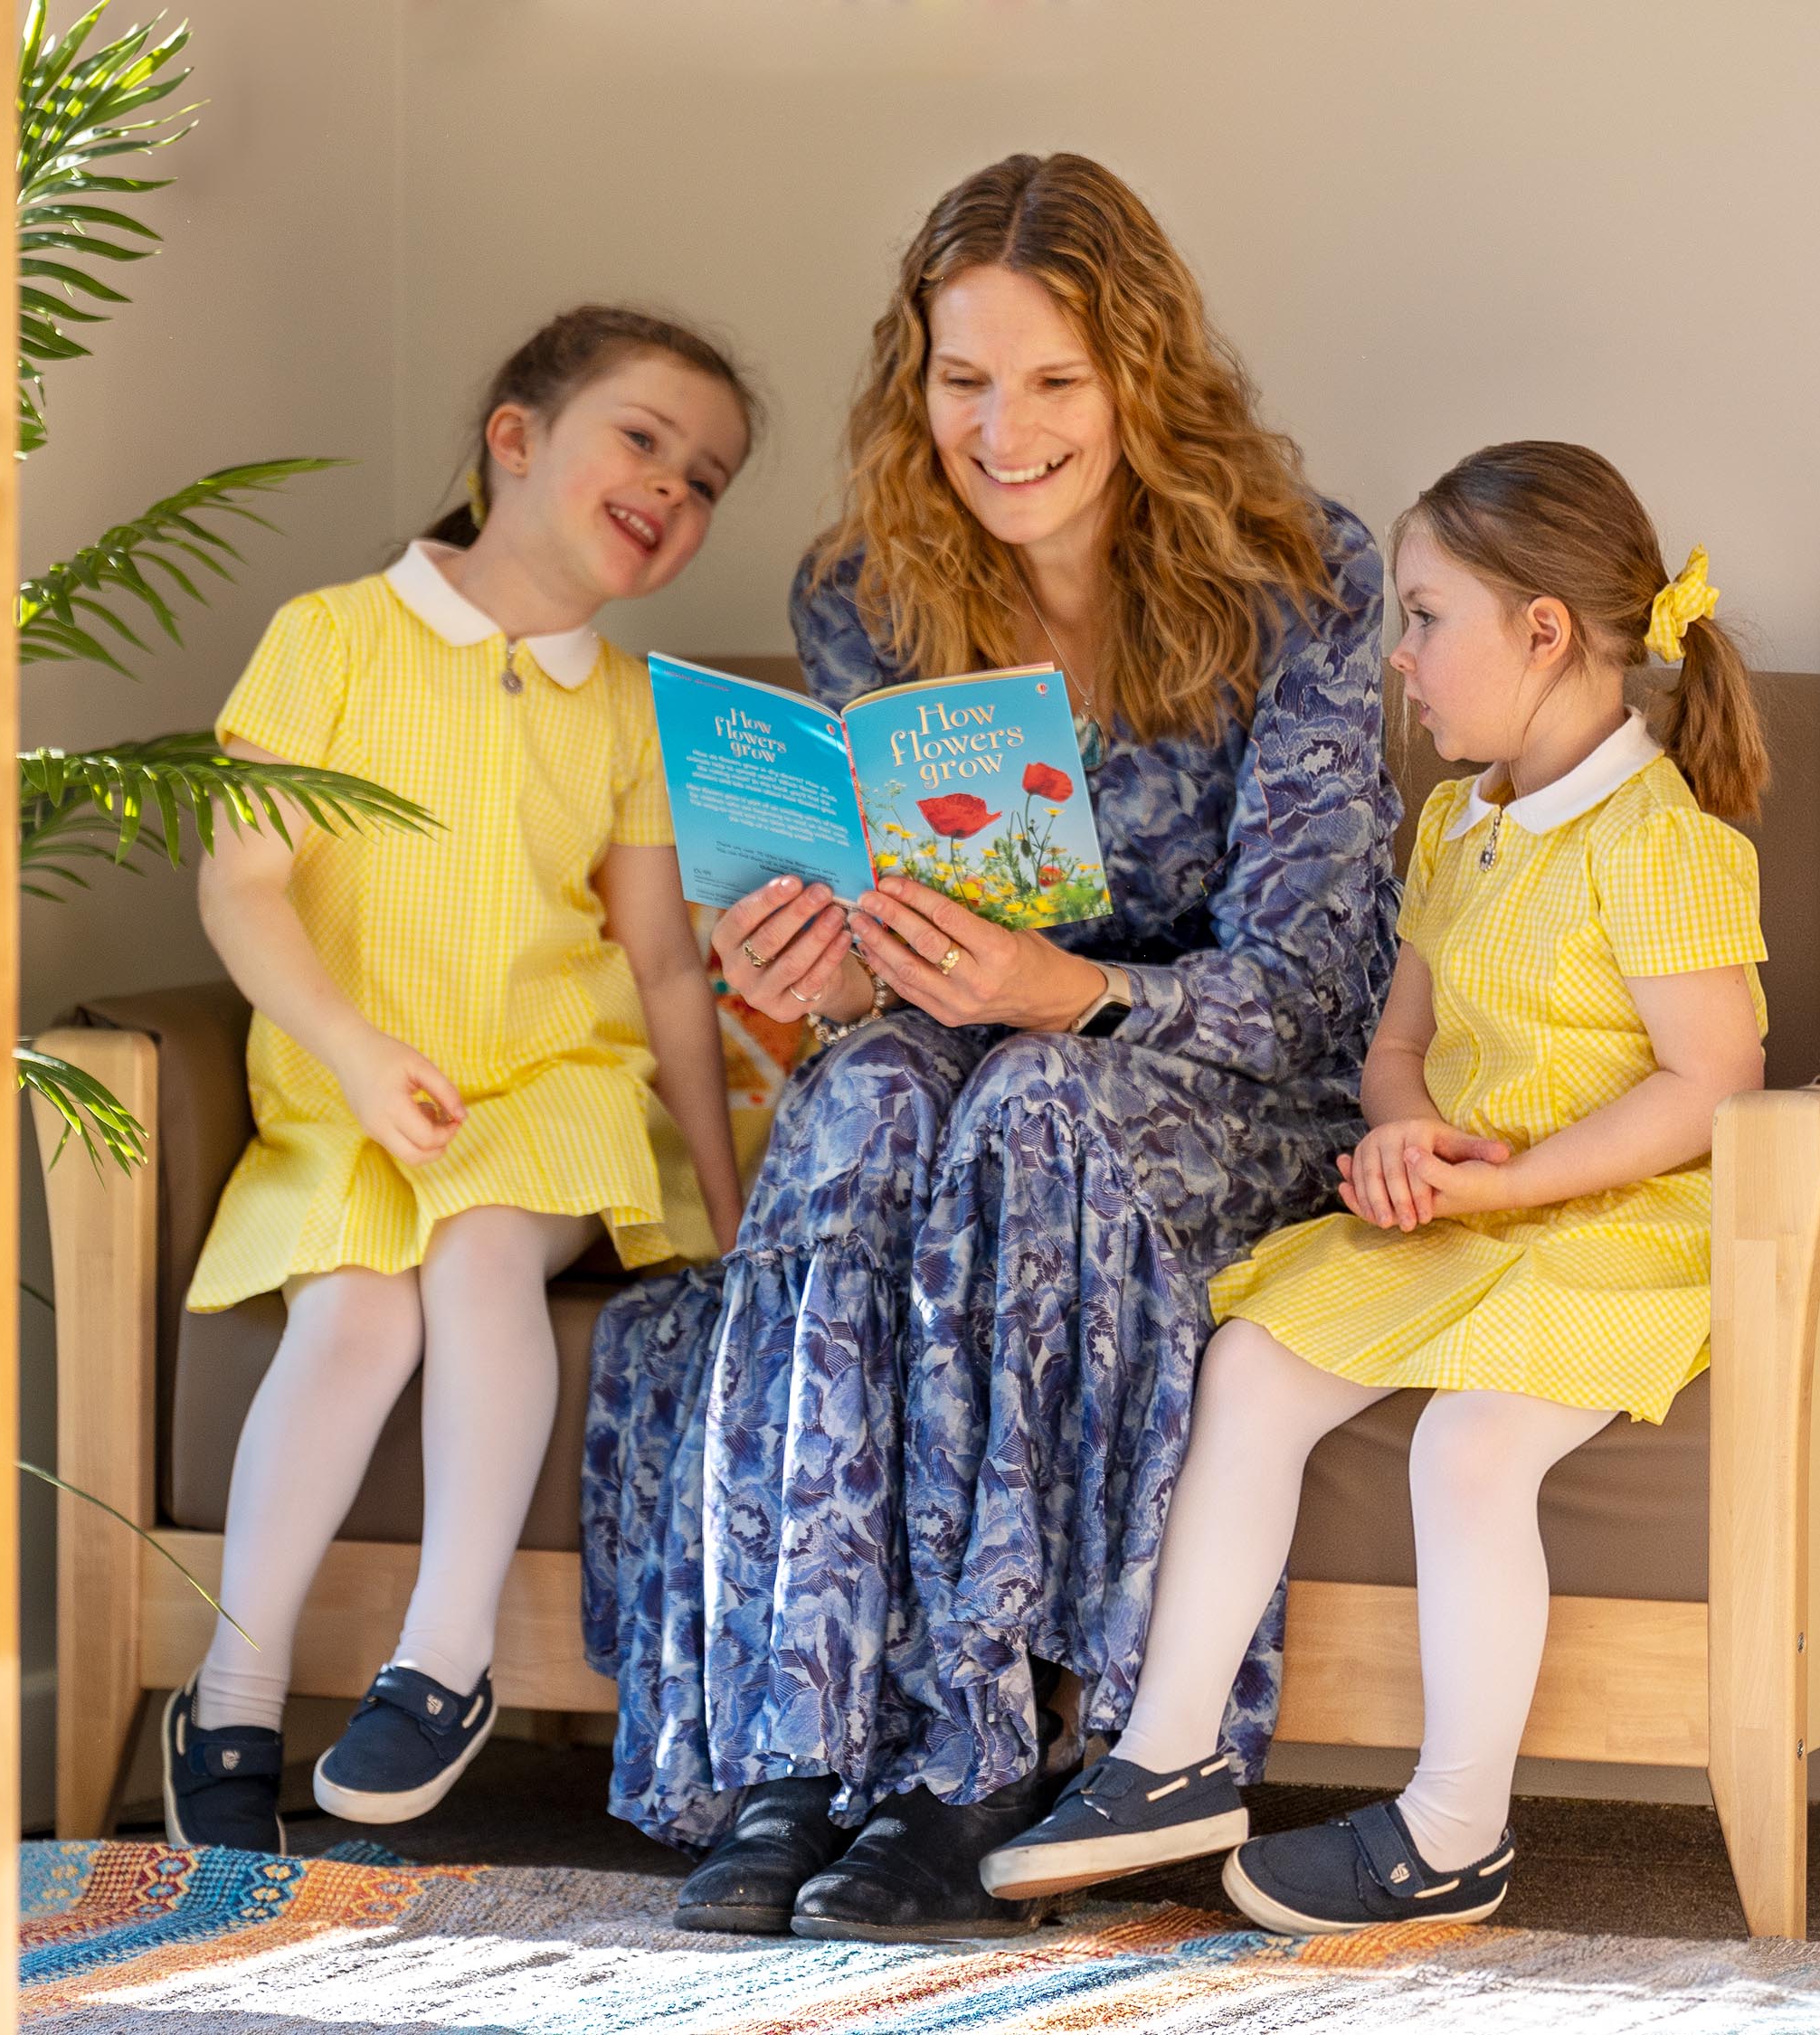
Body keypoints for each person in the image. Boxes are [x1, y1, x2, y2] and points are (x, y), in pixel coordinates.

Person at [582, 154, 1401, 1941]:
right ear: (916, 380)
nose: (1003, 429)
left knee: (1037, 1105)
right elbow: (895, 943)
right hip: (967, 1062)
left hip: (1222, 1088)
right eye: (964, 380)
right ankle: (806, 1751)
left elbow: (1318, 986)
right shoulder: (864, 590)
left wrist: (1076, 994)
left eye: (1054, 382)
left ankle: (990, 1761)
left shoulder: (1303, 578)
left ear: (1142, 379)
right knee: (861, 1093)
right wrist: (814, 962)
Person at [981, 441, 1771, 1934]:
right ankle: (1164, 1755)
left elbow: (1708, 1085)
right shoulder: (1457, 825)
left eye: (1422, 618)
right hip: (1475, 1211)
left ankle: (1455, 1831)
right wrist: (1407, 1137)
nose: (1396, 657)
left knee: (1469, 1449)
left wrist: (1515, 1177)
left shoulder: (1659, 841)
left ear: (1543, 632)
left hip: (1619, 1227)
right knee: (1258, 1358)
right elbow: (1397, 1040)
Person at [158, 307, 760, 1853]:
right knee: (358, 1306)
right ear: (515, 435)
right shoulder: (330, 638)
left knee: (484, 1247)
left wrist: (726, 1188)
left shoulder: (630, 705)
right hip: (348, 1093)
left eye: (705, 481)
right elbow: (243, 886)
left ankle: (447, 1656)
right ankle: (232, 1688)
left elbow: (666, 967)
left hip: (548, 1089)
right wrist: (354, 1059)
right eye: (643, 441)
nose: (671, 490)